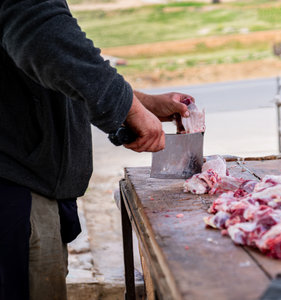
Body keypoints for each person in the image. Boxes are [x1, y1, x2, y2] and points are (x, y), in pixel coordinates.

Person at [0, 0, 194, 299]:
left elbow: (50, 74)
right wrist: (127, 108)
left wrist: (137, 102)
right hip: (14, 187)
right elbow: (46, 40)